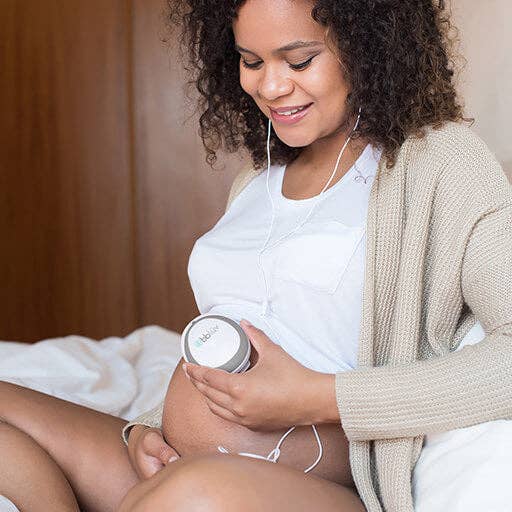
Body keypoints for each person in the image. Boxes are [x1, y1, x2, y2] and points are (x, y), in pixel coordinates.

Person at [0, 0, 510, 511]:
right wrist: (147, 427)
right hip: (181, 464)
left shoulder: (440, 164)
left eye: (299, 60)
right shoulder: (255, 181)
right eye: (252, 61)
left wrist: (317, 397)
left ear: (369, 49)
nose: (270, 87)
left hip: (317, 491)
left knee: (191, 494)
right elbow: (241, 332)